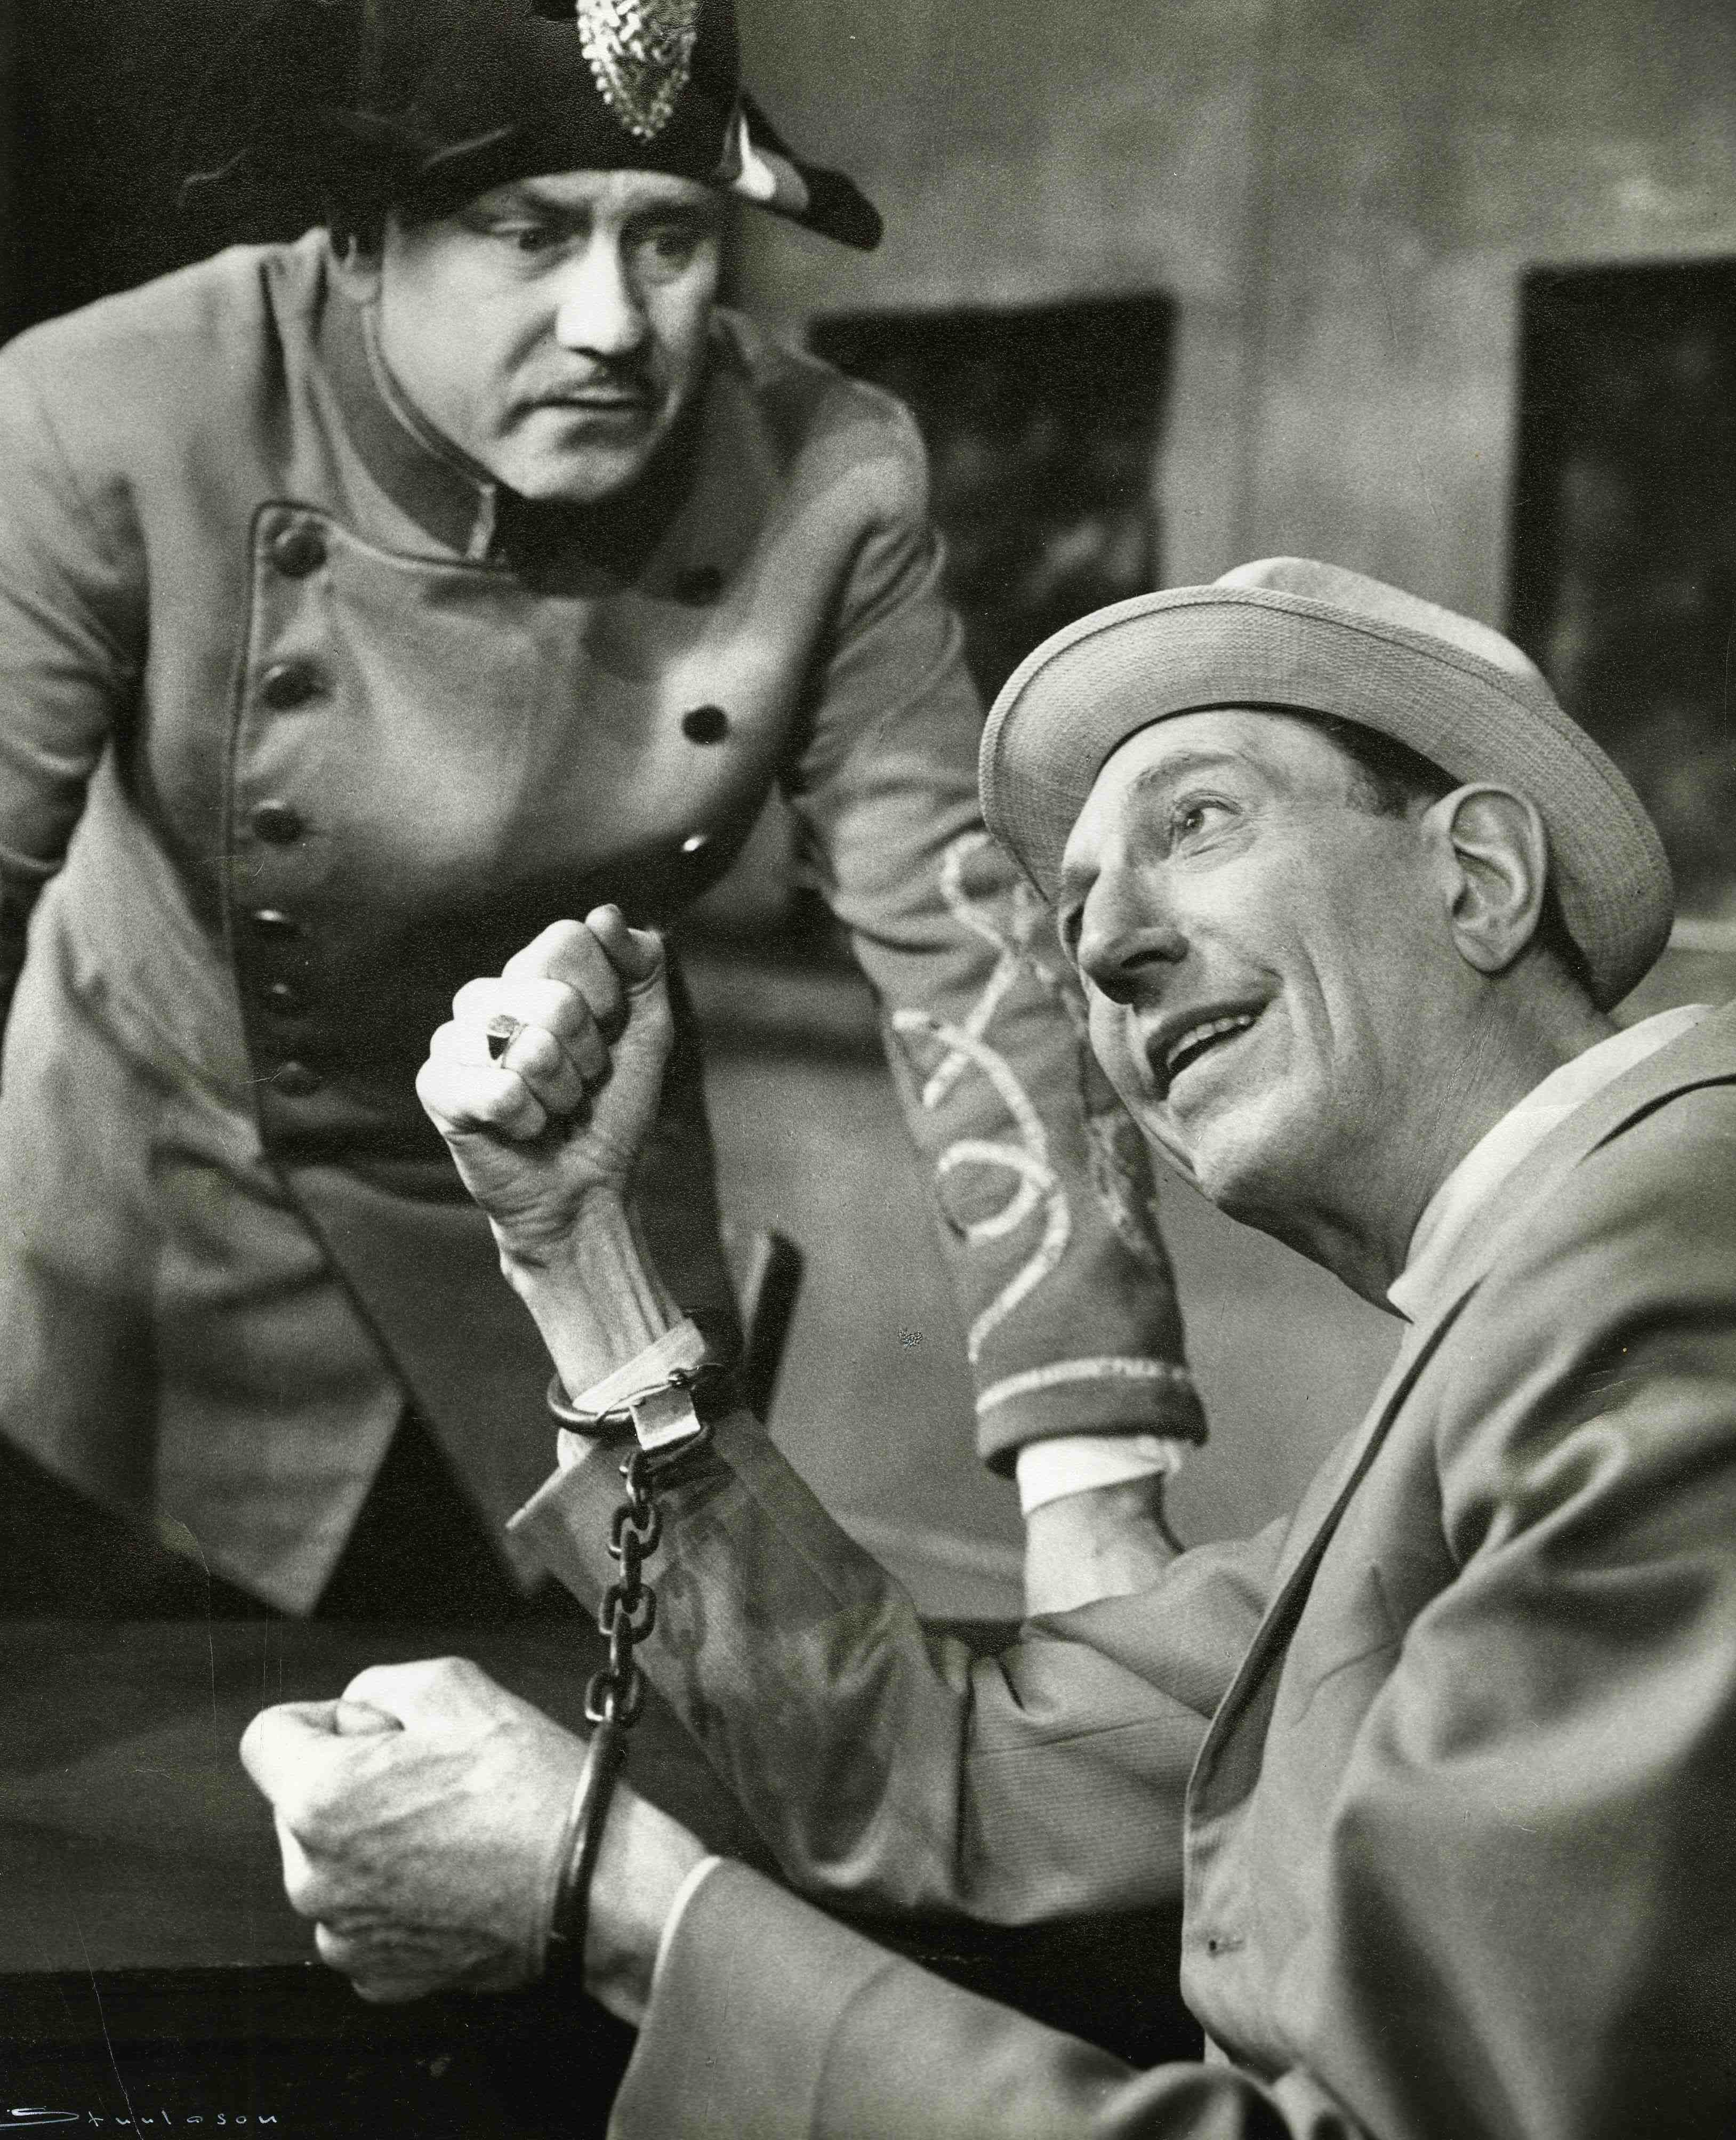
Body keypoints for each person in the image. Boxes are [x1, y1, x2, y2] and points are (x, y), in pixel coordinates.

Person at [240, 556, 1736, 2138]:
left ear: (1480, 878)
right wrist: (575, 1245)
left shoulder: (1659, 1295)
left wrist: (610, 1903)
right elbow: (952, 1775)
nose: (1107, 953)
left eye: (1198, 822)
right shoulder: (1550, 1304)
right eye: (1074, 918)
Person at [0, 0, 1203, 1619]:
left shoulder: (830, 474)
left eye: (669, 239)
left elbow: (977, 949)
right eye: (529, 233)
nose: (611, 324)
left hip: (590, 1287)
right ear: (363, 240)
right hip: (152, 1287)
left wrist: (1093, 1473)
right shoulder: (106, 411)